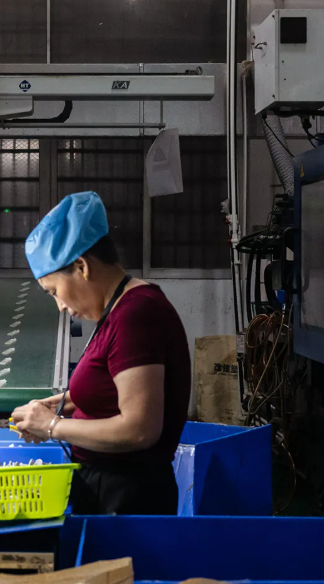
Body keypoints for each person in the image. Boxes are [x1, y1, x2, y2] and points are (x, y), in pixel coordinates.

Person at [11, 191, 191, 515]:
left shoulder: (136, 314)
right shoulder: (118, 310)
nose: (60, 306)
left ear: (81, 266)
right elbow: (111, 390)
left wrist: (52, 426)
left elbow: (139, 429)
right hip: (109, 489)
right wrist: (60, 405)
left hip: (128, 498)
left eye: (54, 291)